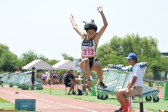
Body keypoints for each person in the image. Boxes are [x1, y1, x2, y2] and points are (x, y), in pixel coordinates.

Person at [70, 6, 108, 88]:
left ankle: (101, 82)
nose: (91, 34)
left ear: (95, 32)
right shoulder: (83, 36)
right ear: (86, 31)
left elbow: (105, 25)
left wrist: (101, 12)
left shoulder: (96, 38)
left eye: (93, 33)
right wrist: (71, 18)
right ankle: (88, 80)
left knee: (99, 64)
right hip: (83, 63)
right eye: (89, 32)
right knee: (86, 59)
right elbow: (75, 27)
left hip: (93, 62)